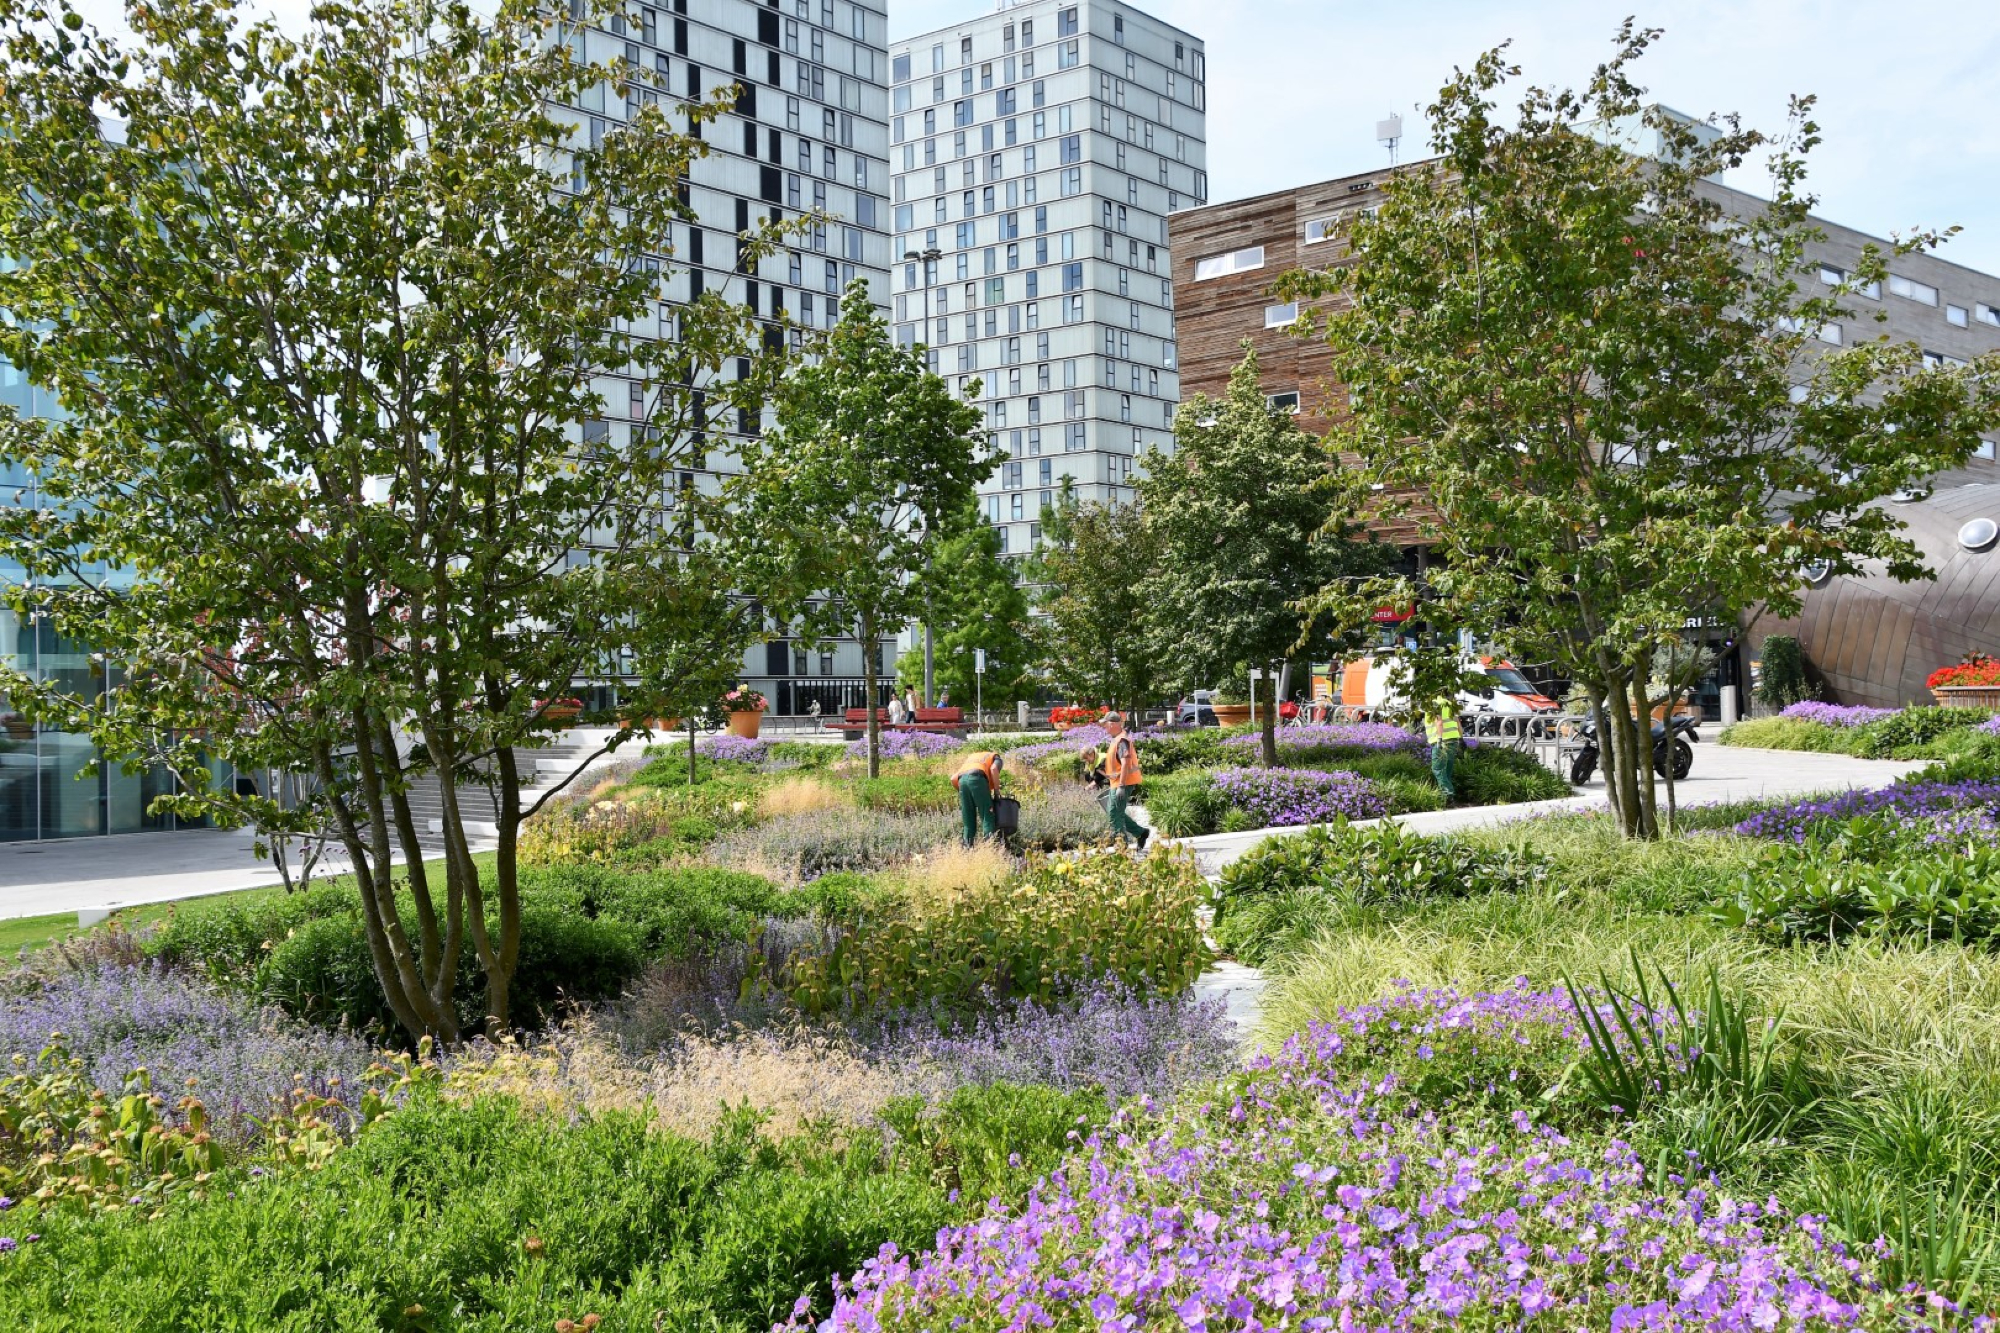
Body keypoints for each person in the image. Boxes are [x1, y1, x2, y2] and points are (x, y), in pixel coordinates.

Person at [1087, 711, 1149, 850]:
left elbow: (1126, 763)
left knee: (1114, 813)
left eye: (1106, 725)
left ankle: (1122, 847)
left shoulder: (1121, 740)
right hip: (1119, 782)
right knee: (1115, 811)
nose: (1105, 727)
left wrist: (1121, 786)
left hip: (1124, 783)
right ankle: (1141, 833)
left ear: (1112, 724)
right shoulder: (1117, 739)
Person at [951, 749, 1005, 847]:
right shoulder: (996, 758)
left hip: (962, 782)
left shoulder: (972, 759)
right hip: (978, 779)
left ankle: (967, 847)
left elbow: (953, 778)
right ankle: (990, 847)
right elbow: (993, 769)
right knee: (987, 814)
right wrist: (997, 792)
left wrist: (963, 793)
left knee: (968, 817)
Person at [1424, 697, 1462, 805]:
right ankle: (1445, 797)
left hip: (1441, 741)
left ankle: (1448, 795)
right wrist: (1461, 738)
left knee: (1438, 768)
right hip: (1453, 741)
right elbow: (1458, 723)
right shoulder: (1450, 704)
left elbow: (1439, 722)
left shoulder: (1433, 703)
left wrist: (1439, 741)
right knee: (1447, 770)